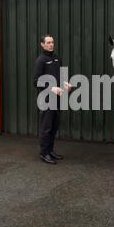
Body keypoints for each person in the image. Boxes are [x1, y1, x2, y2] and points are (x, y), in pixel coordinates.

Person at [33, 34, 71, 165]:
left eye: (52, 42)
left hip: (58, 98)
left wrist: (65, 83)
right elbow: (36, 81)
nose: (51, 44)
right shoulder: (41, 60)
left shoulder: (56, 58)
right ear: (42, 44)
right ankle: (44, 153)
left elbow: (60, 76)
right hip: (46, 99)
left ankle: (50, 150)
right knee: (46, 127)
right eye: (48, 42)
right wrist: (52, 88)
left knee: (54, 126)